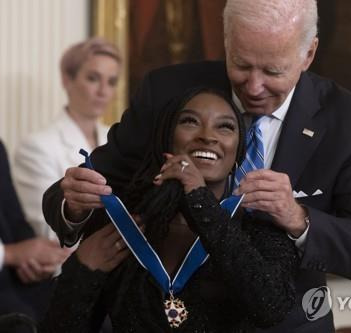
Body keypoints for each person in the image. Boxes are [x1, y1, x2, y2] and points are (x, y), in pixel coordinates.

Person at [43, 0, 351, 331]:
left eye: (272, 71)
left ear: (309, 53)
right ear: (226, 41)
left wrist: (298, 218)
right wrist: (74, 207)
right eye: (241, 65)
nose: (255, 86)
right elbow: (88, 188)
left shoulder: (349, 122)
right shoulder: (166, 92)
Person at [40, 87, 298, 332]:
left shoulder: (259, 227)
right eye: (190, 122)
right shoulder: (122, 226)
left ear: (238, 150)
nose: (208, 136)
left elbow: (270, 307)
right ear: (166, 137)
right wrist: (82, 268)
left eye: (225, 127)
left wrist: (198, 198)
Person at [14, 37, 121, 244]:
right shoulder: (37, 147)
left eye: (112, 82)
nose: (103, 91)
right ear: (67, 79)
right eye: (93, 78)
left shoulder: (118, 140)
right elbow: (49, 231)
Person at [0, 130, 70, 325]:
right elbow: (14, 251)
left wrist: (33, 261)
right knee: (18, 320)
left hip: (9, 276)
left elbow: (14, 221)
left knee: (81, 300)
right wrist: (10, 254)